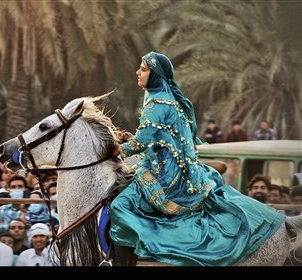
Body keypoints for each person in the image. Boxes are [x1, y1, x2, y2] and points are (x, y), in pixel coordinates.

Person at [109, 51, 285, 266]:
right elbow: (159, 139)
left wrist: (117, 149)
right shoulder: (171, 101)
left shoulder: (156, 104)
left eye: (143, 69)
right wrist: (129, 138)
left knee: (120, 205)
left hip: (167, 177)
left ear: (155, 76)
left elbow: (141, 143)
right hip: (181, 171)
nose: (137, 72)